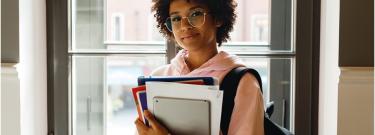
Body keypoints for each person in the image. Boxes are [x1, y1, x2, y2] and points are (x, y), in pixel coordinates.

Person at [134, 0, 265, 134]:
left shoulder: (243, 82)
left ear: (218, 18)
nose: (184, 26)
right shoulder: (158, 76)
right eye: (176, 18)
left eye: (195, 14)